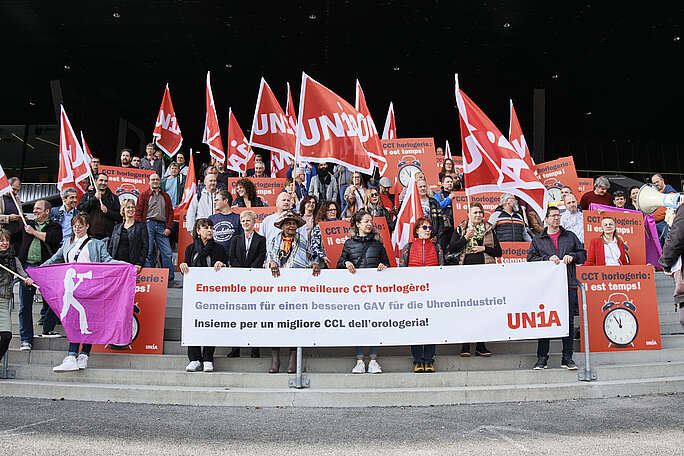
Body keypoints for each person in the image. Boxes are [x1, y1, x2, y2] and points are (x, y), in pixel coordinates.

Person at [43, 213, 123, 372]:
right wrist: (35, 272)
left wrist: (125, 265)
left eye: (80, 225)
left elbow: (107, 261)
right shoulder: (67, 243)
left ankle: (83, 355)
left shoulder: (96, 244)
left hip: (91, 288)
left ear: (87, 226)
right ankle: (72, 355)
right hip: (72, 288)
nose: (77, 228)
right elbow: (54, 261)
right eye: (74, 226)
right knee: (75, 321)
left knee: (88, 320)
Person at [527, 206, 586, 370]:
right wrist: (547, 258)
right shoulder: (539, 239)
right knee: (545, 321)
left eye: (558, 216)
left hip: (568, 285)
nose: (556, 218)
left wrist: (572, 256)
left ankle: (567, 358)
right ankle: (542, 358)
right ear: (545, 219)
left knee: (568, 321)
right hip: (547, 289)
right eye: (552, 216)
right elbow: (530, 259)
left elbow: (583, 254)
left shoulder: (570, 236)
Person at [267, 210, 322, 373]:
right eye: (288, 223)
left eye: (294, 223)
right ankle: (275, 358)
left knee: (295, 322)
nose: (291, 226)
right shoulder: (274, 240)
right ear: (282, 225)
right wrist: (272, 263)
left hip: (297, 288)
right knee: (276, 323)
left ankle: (293, 358)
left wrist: (314, 263)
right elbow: (270, 257)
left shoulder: (303, 240)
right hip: (278, 287)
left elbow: (312, 256)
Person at [338, 210, 390, 374]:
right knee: (358, 324)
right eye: (366, 221)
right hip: (356, 292)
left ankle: (373, 360)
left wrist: (383, 266)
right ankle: (359, 360)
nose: (369, 224)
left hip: (374, 292)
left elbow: (387, 263)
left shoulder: (378, 244)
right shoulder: (349, 244)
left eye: (371, 221)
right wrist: (346, 263)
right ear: (358, 224)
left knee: (374, 324)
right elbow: (339, 264)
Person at [447, 202, 502, 357]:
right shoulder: (461, 229)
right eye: (475, 212)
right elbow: (451, 248)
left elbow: (499, 251)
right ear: (469, 214)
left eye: (480, 212)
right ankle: (465, 345)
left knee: (482, 310)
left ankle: (480, 345)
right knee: (467, 310)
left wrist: (484, 248)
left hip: (484, 275)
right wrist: (465, 238)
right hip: (465, 275)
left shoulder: (489, 229)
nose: (478, 215)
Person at [179, 218, 227, 372]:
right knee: (193, 324)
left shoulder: (219, 248)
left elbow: (226, 267)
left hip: (212, 295)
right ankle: (194, 359)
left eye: (211, 227)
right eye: (205, 228)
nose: (209, 230)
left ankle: (207, 358)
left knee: (209, 324)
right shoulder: (190, 249)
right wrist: (183, 265)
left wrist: (222, 265)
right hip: (194, 295)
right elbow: (186, 267)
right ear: (198, 231)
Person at [400, 217, 443, 373]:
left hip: (432, 294)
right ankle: (418, 360)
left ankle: (429, 359)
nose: (427, 230)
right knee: (417, 326)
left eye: (429, 228)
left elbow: (441, 269)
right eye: (424, 227)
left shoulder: (437, 247)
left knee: (431, 326)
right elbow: (402, 271)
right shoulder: (408, 247)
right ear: (417, 229)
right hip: (414, 295)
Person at [17, 199, 62, 347]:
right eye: (34, 209)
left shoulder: (54, 226)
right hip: (28, 269)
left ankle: (47, 328)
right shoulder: (26, 224)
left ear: (47, 211)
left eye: (38, 209)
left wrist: (34, 232)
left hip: (45, 270)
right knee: (25, 306)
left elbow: (52, 239)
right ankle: (26, 339)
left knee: (54, 301)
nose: (35, 211)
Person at [227, 210, 266, 358]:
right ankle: (235, 348)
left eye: (248, 221)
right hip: (238, 282)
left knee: (254, 316)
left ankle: (255, 348)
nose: (245, 223)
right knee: (237, 315)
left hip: (254, 281)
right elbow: (232, 257)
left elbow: (261, 256)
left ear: (254, 222)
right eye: (243, 221)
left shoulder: (261, 239)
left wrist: (250, 272)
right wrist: (242, 273)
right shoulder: (236, 239)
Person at [135, 173, 175, 286]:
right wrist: (140, 227)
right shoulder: (143, 195)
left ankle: (169, 280)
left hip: (162, 226)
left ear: (160, 181)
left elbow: (171, 213)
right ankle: (149, 279)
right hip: (148, 224)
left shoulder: (166, 196)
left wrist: (168, 227)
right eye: (153, 179)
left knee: (167, 253)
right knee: (148, 252)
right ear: (149, 182)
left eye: (157, 179)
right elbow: (138, 212)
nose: (155, 181)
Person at [0, 229, 34, 361]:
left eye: (7, 240)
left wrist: (27, 281)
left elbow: (23, 275)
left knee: (6, 336)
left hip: (3, 302)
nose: (4, 243)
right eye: (1, 240)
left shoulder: (13, 259)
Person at [76, 173, 122, 240]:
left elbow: (119, 217)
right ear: (95, 181)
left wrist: (108, 211)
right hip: (90, 236)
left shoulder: (113, 198)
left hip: (108, 237)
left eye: (106, 181)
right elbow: (80, 209)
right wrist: (94, 198)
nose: (103, 183)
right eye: (101, 180)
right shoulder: (88, 196)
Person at [108, 199, 148, 270]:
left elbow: (145, 247)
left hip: (133, 265)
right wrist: (110, 262)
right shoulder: (116, 228)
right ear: (123, 210)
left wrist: (139, 263)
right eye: (128, 207)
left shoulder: (141, 226)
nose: (131, 209)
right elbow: (111, 247)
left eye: (133, 207)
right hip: (117, 265)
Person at [209, 190, 242, 257]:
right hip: (215, 259)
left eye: (217, 200)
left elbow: (242, 241)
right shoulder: (211, 218)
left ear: (225, 201)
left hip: (232, 259)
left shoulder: (238, 218)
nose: (214, 202)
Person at [651, 173, 678, 246]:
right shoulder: (656, 193)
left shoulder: (670, 192)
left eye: (657, 182)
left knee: (668, 246)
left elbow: (669, 209)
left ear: (662, 180)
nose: (656, 184)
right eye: (654, 183)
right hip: (656, 224)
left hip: (665, 223)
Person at [308, 201, 337, 268]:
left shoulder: (341, 226)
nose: (333, 212)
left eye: (335, 209)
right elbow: (314, 246)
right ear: (325, 212)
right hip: (323, 264)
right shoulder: (319, 227)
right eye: (330, 210)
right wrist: (323, 256)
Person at [0, 177, 24, 250]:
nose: (16, 192)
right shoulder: (1, 198)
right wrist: (8, 218)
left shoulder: (17, 199)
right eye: (14, 189)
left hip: (15, 237)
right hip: (2, 238)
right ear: (8, 186)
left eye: (18, 190)